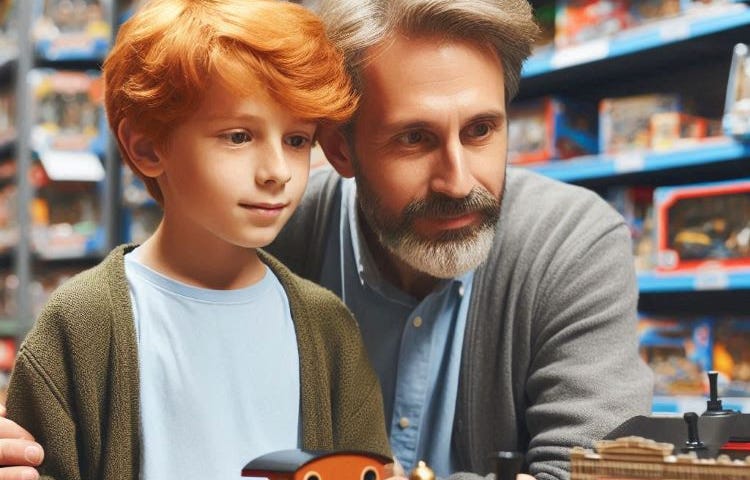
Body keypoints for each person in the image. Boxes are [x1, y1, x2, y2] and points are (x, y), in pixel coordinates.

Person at [0, 0, 653, 479]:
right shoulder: (275, 226)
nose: (458, 180)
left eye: (482, 131)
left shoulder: (570, 245)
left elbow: (595, 470)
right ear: (339, 149)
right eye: (414, 138)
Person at [1, 0, 392, 479]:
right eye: (238, 137)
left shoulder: (328, 328)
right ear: (147, 146)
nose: (276, 173)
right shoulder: (82, 325)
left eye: (297, 140)